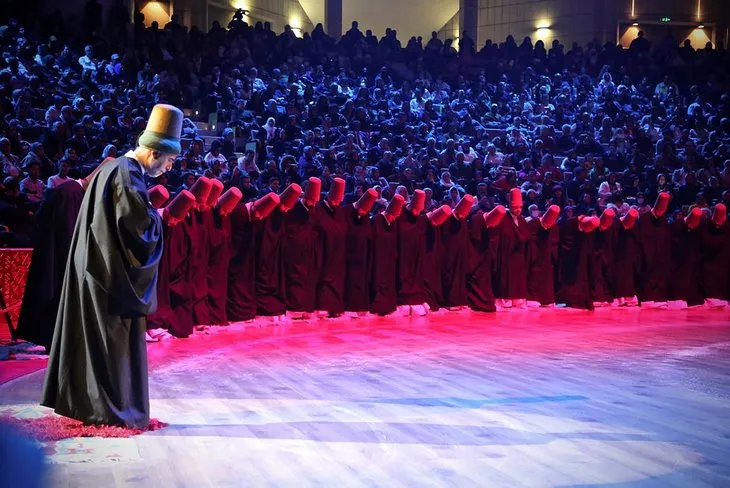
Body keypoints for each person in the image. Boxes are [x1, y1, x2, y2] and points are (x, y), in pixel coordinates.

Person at [41, 104, 183, 428]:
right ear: (155, 152)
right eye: (170, 160)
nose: (169, 168)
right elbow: (138, 230)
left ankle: (90, 406)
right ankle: (110, 410)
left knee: (95, 342)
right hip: (106, 277)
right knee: (110, 344)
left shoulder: (112, 167)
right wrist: (160, 220)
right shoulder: (128, 174)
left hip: (93, 269)